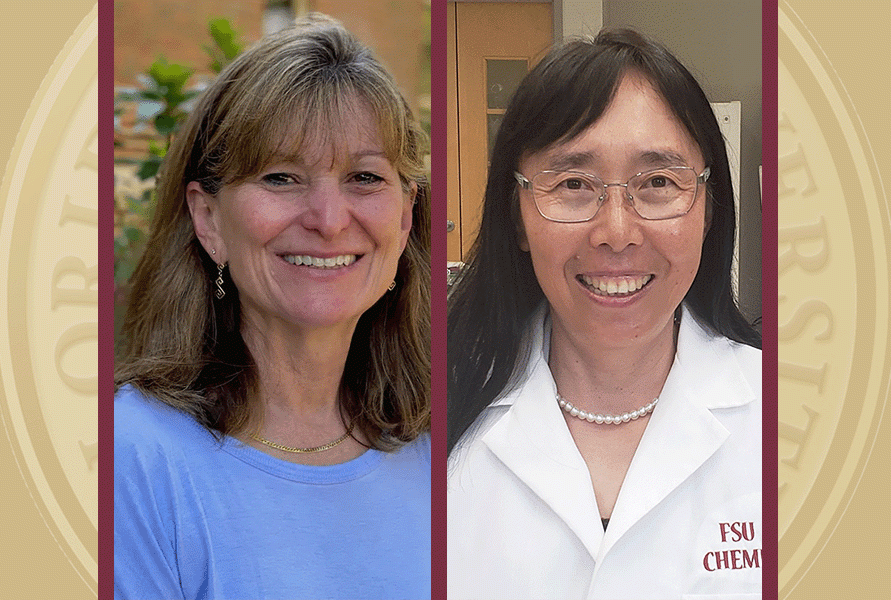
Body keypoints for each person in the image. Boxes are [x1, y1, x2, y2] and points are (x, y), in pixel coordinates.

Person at [114, 15, 430, 600]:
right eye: (282, 177)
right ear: (208, 219)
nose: (329, 220)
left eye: (364, 177)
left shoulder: (450, 446)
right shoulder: (131, 458)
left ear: (406, 217)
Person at [447, 29, 761, 599]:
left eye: (658, 182)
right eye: (572, 184)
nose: (616, 231)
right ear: (515, 217)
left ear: (709, 209)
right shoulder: (425, 420)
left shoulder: (793, 418)